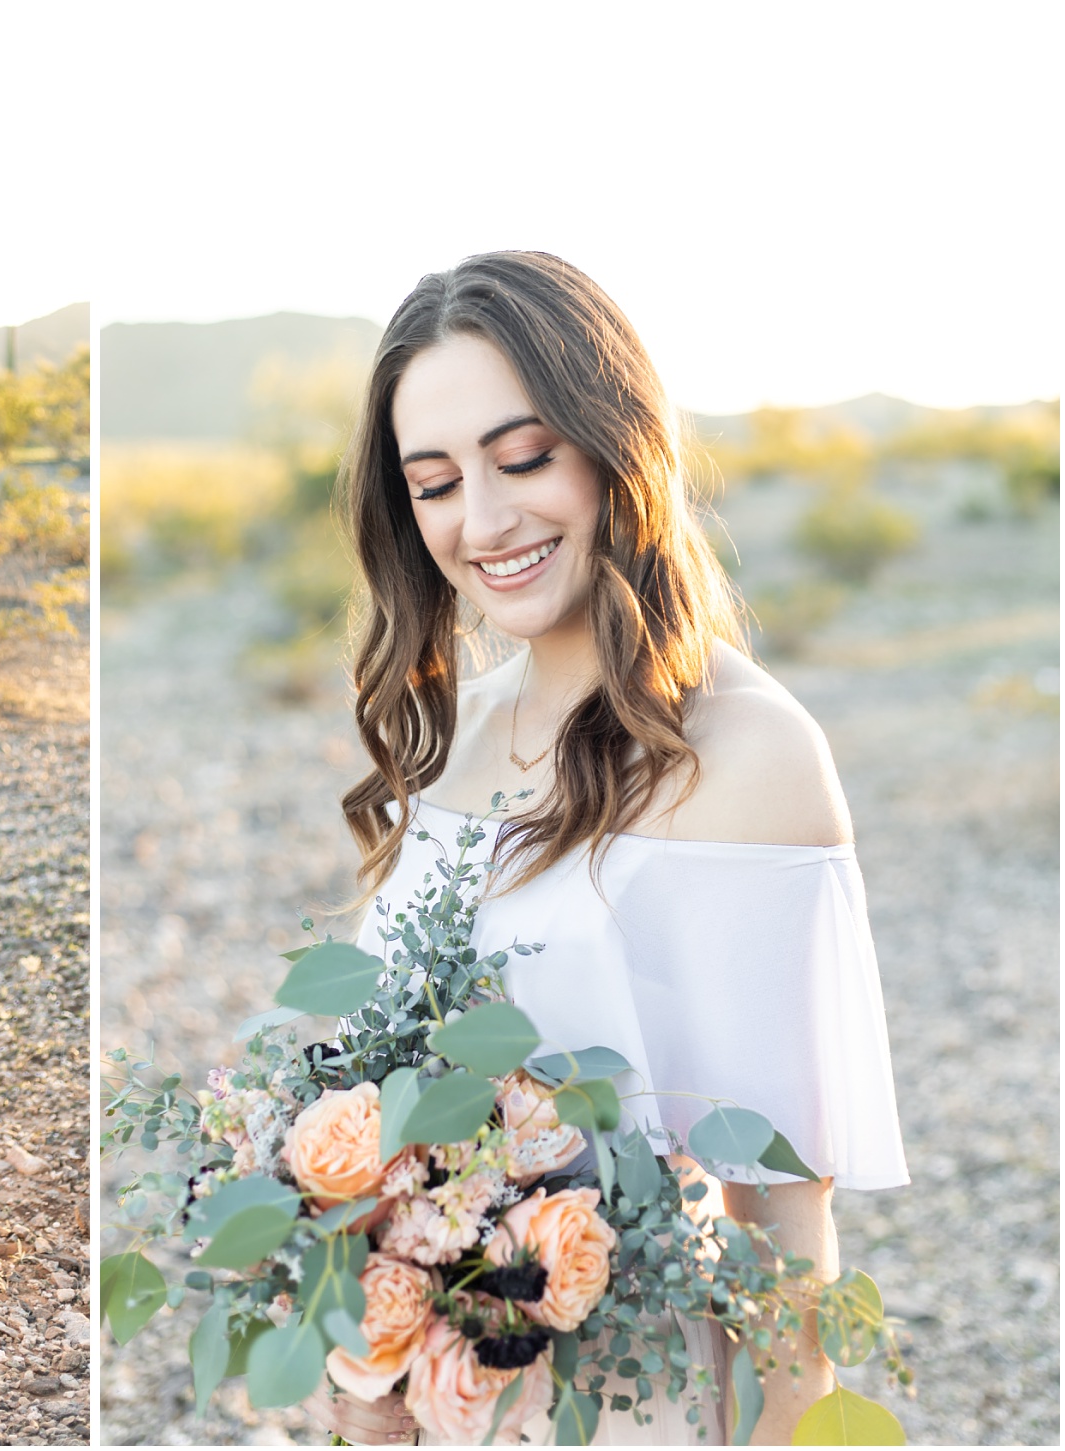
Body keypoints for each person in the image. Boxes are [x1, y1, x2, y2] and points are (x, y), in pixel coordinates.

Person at [310, 253, 908, 1445]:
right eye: (434, 483)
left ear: (613, 439)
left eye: (523, 457)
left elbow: (777, 1220)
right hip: (436, 1398)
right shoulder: (451, 736)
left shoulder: (749, 756)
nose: (483, 521)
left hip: (629, 1400)